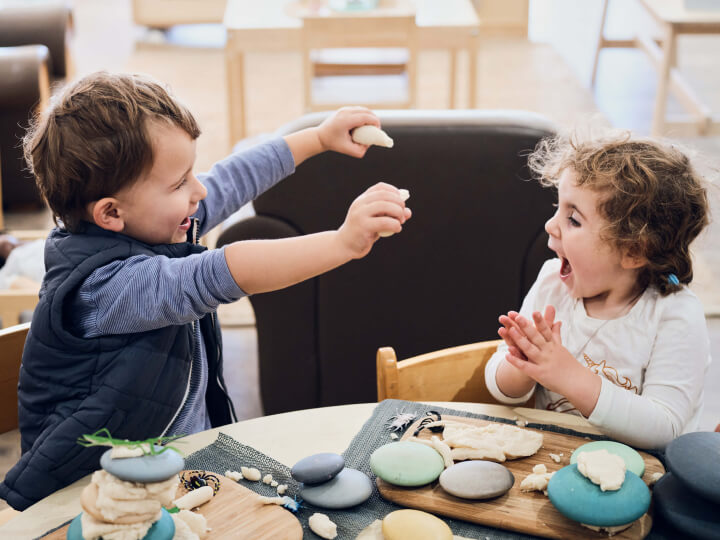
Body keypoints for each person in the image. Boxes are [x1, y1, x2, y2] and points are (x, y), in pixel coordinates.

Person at [0, 71, 411, 510]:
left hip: (177, 467)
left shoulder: (160, 219)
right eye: (179, 183)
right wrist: (342, 242)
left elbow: (232, 179)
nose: (198, 190)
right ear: (111, 213)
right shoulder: (105, 288)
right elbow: (223, 271)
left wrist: (317, 138)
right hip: (99, 492)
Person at [485, 132, 711, 450]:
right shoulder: (552, 283)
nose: (550, 225)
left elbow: (667, 427)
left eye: (573, 219)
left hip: (643, 480)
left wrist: (567, 375)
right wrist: (521, 367)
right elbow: (499, 386)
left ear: (634, 251)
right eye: (557, 207)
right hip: (548, 460)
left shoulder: (674, 315)